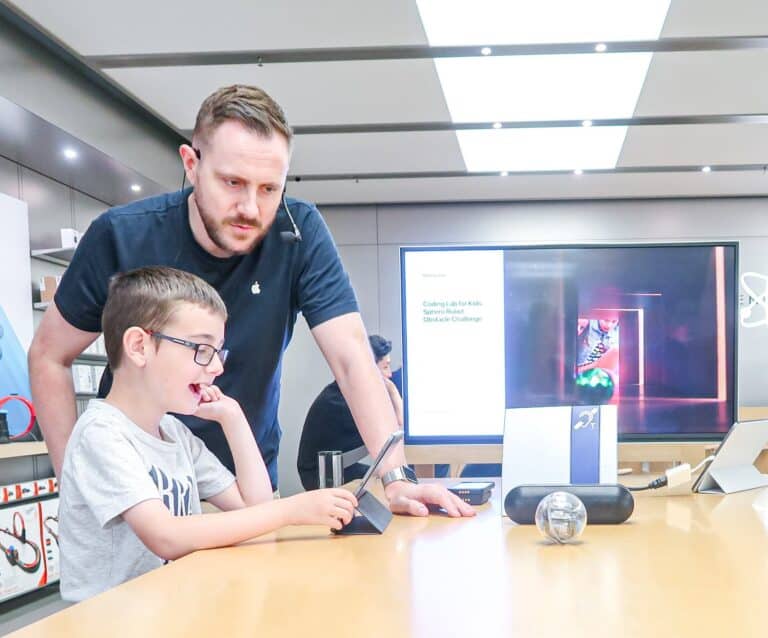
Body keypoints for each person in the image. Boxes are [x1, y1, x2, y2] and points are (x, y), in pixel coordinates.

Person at [28, 84, 473, 519]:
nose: (250, 208)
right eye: (233, 182)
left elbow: (352, 357)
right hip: (137, 483)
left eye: (268, 188)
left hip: (246, 485)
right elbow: (50, 355)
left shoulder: (297, 232)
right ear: (191, 163)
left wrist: (396, 478)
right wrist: (77, 484)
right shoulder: (122, 235)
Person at [58, 267, 357, 602]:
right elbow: (165, 536)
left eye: (218, 351)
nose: (217, 367)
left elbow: (253, 508)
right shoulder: (101, 434)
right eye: (202, 349)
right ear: (139, 346)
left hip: (168, 608)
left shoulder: (173, 432)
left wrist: (234, 418)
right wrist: (292, 510)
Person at [297, 335, 402, 490]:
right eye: (385, 367)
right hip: (321, 474)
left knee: (388, 480)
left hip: (340, 465)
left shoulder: (347, 390)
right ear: (371, 369)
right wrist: (393, 391)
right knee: (388, 483)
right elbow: (397, 428)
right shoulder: (341, 400)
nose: (390, 374)